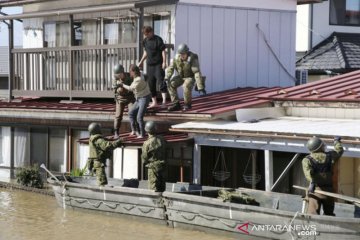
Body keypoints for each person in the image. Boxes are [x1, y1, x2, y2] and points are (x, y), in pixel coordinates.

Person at [302, 136, 344, 216]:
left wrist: (312, 183)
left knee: (312, 215)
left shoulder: (307, 160)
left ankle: (314, 228)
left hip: (314, 190)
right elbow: (339, 150)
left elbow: (308, 173)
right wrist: (336, 142)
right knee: (329, 214)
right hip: (328, 191)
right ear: (320, 147)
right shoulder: (330, 155)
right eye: (322, 145)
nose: (324, 146)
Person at [165, 43, 206, 111]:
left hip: (190, 77)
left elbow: (196, 72)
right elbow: (171, 68)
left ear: (187, 52)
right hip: (181, 76)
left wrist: (200, 86)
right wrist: (166, 78)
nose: (182, 56)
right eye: (181, 54)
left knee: (186, 85)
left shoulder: (192, 58)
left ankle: (187, 104)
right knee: (171, 83)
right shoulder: (176, 58)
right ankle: (176, 104)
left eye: (184, 54)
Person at [117, 64, 151, 138]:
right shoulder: (140, 73)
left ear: (134, 72)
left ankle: (142, 134)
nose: (129, 73)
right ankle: (134, 130)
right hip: (139, 98)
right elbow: (144, 74)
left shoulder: (138, 79)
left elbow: (130, 88)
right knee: (131, 113)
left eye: (130, 71)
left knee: (139, 117)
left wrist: (122, 85)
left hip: (144, 98)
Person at [138, 26, 167, 108]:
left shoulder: (158, 39)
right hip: (150, 65)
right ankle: (155, 102)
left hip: (158, 64)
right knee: (151, 84)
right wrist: (141, 62)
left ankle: (164, 102)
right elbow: (145, 52)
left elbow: (163, 51)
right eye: (145, 34)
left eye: (147, 34)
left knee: (161, 82)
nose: (146, 36)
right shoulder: (145, 41)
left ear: (151, 32)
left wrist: (164, 62)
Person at [141, 121, 167, 192]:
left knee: (153, 190)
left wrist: (148, 163)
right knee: (162, 190)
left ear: (146, 130)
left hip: (153, 169)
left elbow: (144, 158)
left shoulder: (147, 143)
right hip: (162, 167)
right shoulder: (162, 139)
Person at [112, 64, 135, 138]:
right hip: (120, 98)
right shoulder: (115, 79)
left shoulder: (129, 76)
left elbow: (134, 85)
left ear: (122, 72)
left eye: (119, 74)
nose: (118, 76)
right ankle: (116, 132)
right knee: (118, 115)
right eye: (117, 74)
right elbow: (116, 89)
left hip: (130, 97)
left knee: (132, 113)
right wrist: (119, 87)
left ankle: (135, 130)